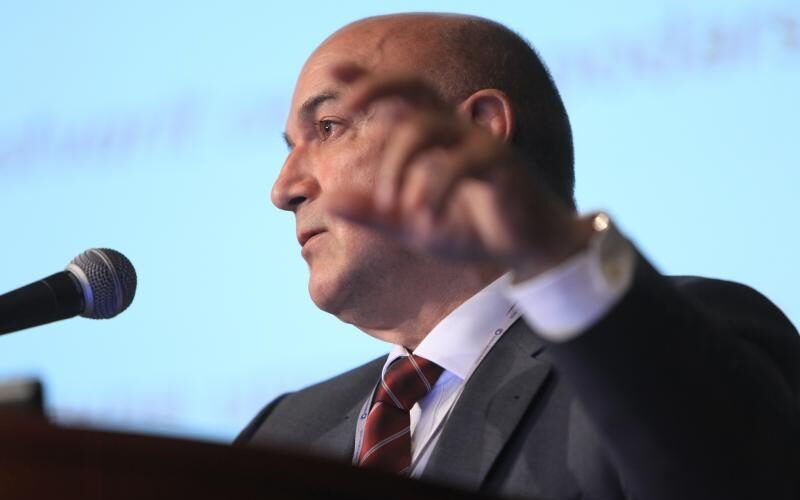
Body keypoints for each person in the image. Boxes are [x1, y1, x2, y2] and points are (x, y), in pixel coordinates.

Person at [236, 13, 800, 500]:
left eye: (328, 128)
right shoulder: (282, 434)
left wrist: (549, 244)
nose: (283, 189)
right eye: (290, 148)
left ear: (479, 131)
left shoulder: (666, 339)